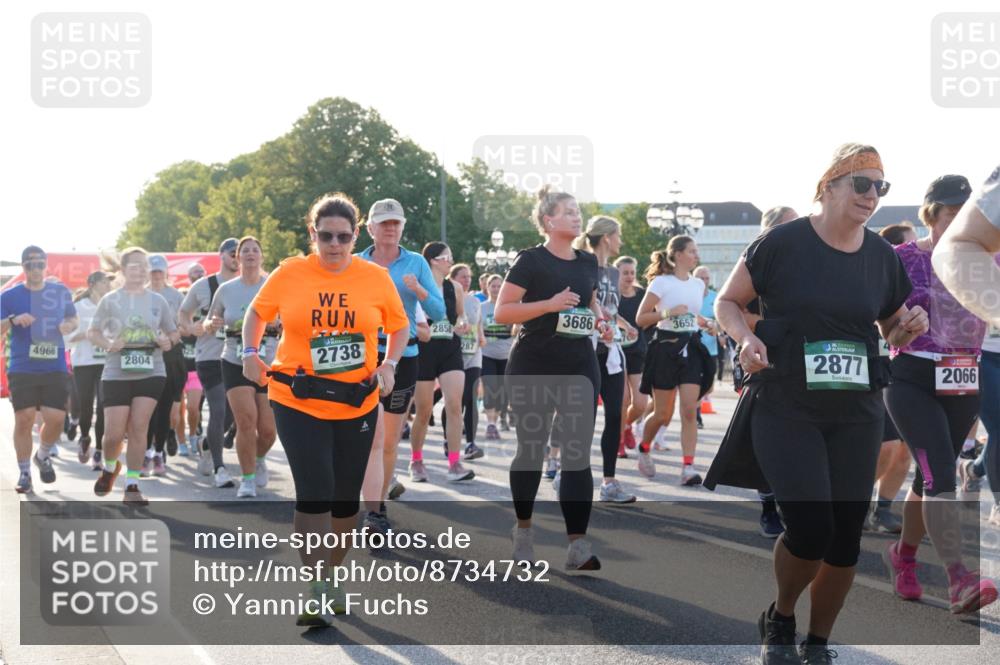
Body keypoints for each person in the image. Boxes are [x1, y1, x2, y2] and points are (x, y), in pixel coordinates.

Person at [707, 143, 927, 663]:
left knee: (846, 538)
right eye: (862, 183)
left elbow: (891, 322)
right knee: (809, 528)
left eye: (881, 186)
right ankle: (781, 616)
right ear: (829, 185)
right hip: (787, 404)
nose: (873, 195)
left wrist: (907, 328)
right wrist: (744, 338)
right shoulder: (781, 243)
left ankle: (819, 641)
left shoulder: (880, 257)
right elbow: (727, 301)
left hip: (856, 411)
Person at [241, 192, 408, 626]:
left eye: (344, 236)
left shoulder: (373, 277)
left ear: (356, 237)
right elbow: (257, 314)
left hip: (357, 401)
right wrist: (248, 351)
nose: (334, 244)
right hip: (297, 399)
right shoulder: (291, 272)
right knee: (315, 490)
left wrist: (389, 363)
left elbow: (400, 324)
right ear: (312, 234)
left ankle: (333, 577)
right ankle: (316, 587)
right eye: (325, 236)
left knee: (344, 502)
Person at [882, 174, 998, 614]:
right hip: (911, 375)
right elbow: (883, 328)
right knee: (940, 479)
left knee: (928, 478)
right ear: (931, 214)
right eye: (951, 214)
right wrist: (899, 328)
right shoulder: (901, 258)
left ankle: (903, 558)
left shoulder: (990, 260)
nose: (959, 223)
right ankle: (959, 578)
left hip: (965, 377)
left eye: (966, 215)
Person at [495, 185, 613, 571]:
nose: (577, 216)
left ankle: (578, 544)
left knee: (577, 453)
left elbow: (590, 302)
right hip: (534, 363)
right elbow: (503, 312)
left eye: (578, 211)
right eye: (568, 211)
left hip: (580, 363)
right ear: (549, 221)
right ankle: (524, 530)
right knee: (532, 449)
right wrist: (548, 304)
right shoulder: (530, 260)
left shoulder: (586, 262)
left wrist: (602, 321)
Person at [356, 198, 445, 531]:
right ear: (370, 228)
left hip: (402, 358)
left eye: (396, 223)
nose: (391, 228)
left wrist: (420, 289)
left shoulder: (417, 263)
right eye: (384, 223)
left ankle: (376, 512)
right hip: (360, 361)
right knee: (359, 437)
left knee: (388, 441)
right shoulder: (355, 262)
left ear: (402, 227)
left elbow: (438, 313)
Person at [89, 247, 178, 504]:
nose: (139, 270)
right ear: (123, 269)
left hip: (152, 370)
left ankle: (132, 485)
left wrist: (166, 340)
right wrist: (108, 343)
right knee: (114, 434)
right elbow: (94, 332)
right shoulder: (110, 300)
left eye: (143, 265)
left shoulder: (157, 301)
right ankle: (109, 467)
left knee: (139, 427)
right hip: (117, 370)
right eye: (134, 265)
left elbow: (173, 333)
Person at [634, 236, 715, 486]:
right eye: (692, 251)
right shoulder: (661, 282)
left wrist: (705, 323)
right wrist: (668, 312)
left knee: (689, 410)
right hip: (665, 350)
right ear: (678, 254)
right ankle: (644, 446)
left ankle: (688, 468)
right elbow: (641, 318)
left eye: (696, 251)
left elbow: (691, 314)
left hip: (690, 348)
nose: (696, 255)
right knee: (662, 414)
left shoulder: (696, 285)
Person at [2, 246, 78, 493]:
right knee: (23, 419)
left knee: (56, 419)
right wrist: (12, 320)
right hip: (23, 366)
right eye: (29, 265)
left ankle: (42, 455)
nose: (35, 269)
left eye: (39, 264)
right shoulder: (9, 296)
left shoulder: (59, 292)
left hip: (53, 365)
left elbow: (72, 319)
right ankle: (24, 472)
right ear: (23, 267)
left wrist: (67, 326)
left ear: (46, 266)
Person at [208, 237, 279, 498]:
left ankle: (259, 457)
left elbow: (290, 318)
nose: (250, 254)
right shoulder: (226, 289)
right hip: (234, 360)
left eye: (255, 250)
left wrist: (277, 324)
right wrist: (211, 324)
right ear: (238, 258)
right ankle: (247, 479)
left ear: (261, 256)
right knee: (246, 420)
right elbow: (211, 320)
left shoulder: (273, 285)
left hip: (269, 361)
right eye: (244, 250)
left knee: (269, 430)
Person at [574, 215, 637, 503]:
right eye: (618, 235)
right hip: (584, 349)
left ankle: (609, 481)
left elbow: (609, 308)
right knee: (584, 418)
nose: (620, 241)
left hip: (611, 350)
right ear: (607, 237)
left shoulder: (612, 273)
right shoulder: (580, 264)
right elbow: (587, 304)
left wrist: (623, 324)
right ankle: (572, 472)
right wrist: (599, 323)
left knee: (616, 413)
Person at [408, 242, 475, 483]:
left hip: (449, 348)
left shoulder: (454, 287)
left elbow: (460, 314)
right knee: (424, 411)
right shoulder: (417, 285)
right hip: (424, 350)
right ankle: (416, 460)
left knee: (455, 405)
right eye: (448, 257)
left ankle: (455, 463)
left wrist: (463, 323)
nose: (451, 260)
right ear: (435, 260)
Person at [179, 239, 240, 487]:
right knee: (218, 409)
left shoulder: (254, 283)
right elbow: (183, 313)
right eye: (232, 253)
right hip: (210, 356)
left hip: (239, 357)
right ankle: (220, 467)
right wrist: (190, 327)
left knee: (233, 413)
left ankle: (206, 443)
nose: (236, 257)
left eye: (240, 253)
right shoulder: (204, 286)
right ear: (221, 256)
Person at [932, 164, 1000, 327]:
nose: (959, 217)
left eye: (964, 208)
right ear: (931, 213)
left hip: (976, 350)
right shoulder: (904, 256)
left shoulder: (993, 256)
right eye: (953, 212)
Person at [143, 254, 187, 476]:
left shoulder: (176, 296)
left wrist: (171, 338)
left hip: (170, 356)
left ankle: (159, 453)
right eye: (153, 272)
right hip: (145, 357)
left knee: (164, 408)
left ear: (166, 272)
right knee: (145, 408)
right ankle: (144, 452)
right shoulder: (139, 295)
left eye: (160, 272)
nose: (157, 276)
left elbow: (183, 326)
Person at [67, 271, 111, 469]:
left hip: (105, 362)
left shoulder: (111, 306)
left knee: (103, 406)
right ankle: (85, 437)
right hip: (83, 362)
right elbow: (68, 339)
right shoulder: (77, 307)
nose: (108, 285)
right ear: (93, 284)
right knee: (86, 405)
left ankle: (100, 451)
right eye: (104, 282)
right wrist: (90, 334)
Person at [449, 263, 487, 460]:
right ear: (453, 278)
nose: (467, 280)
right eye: (463, 276)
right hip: (452, 355)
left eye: (469, 276)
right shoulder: (447, 297)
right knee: (456, 401)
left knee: (471, 398)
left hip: (473, 355)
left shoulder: (474, 301)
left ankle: (471, 443)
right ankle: (450, 439)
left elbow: (478, 323)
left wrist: (481, 336)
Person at [615, 256, 648, 458]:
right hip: (615, 352)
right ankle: (618, 441)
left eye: (632, 273)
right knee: (623, 400)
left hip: (637, 352)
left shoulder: (642, 295)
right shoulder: (611, 297)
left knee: (641, 403)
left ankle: (627, 425)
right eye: (624, 272)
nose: (629, 277)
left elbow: (650, 318)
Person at [480, 274, 514, 440]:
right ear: (487, 288)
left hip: (507, 355)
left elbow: (517, 330)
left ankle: (498, 417)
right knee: (490, 388)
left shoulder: (510, 307)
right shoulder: (482, 307)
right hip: (487, 354)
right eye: (493, 286)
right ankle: (491, 424)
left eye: (499, 286)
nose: (496, 289)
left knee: (503, 393)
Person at [177, 262, 206, 456]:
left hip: (197, 368)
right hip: (179, 367)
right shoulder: (179, 317)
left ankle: (194, 434)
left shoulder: (204, 317)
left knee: (193, 408)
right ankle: (181, 442)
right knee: (178, 410)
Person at [694, 266, 720, 430]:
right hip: (694, 347)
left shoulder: (715, 297)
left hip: (711, 348)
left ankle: (695, 406)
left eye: (706, 279)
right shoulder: (690, 296)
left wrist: (717, 329)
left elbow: (722, 321)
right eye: (700, 278)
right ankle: (695, 414)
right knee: (695, 382)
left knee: (708, 386)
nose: (704, 282)